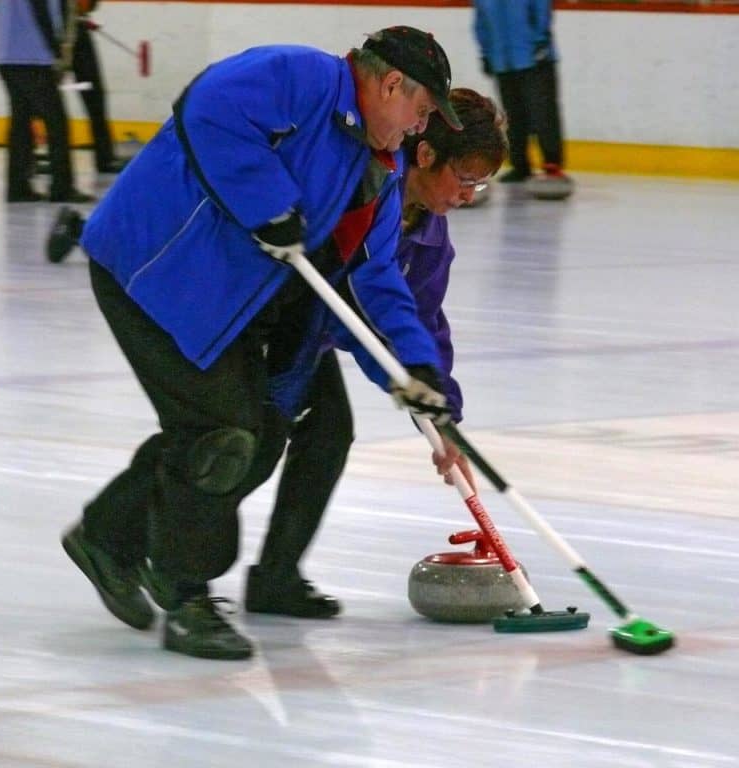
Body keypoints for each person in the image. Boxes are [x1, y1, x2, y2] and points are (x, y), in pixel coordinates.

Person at [60, 26, 463, 661]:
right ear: (390, 85)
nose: (420, 130)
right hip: (150, 269)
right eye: (421, 112)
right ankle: (186, 592)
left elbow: (378, 278)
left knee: (257, 433)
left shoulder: (378, 174)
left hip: (220, 301)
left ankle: (108, 536)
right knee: (223, 434)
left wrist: (414, 365)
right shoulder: (302, 77)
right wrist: (267, 203)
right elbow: (208, 106)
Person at [243, 88, 508, 619]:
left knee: (329, 431)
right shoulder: (360, 184)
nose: (469, 196)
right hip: (261, 320)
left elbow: (426, 330)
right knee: (249, 446)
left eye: (480, 185)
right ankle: (131, 540)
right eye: (466, 179)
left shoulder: (431, 241)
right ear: (428, 155)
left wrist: (443, 422)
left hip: (311, 341)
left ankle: (275, 577)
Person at [0, 0, 95, 202]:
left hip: (6, 57)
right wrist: (56, 51)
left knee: (20, 124)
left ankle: (18, 188)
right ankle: (61, 188)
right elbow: (41, 11)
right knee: (57, 123)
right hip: (33, 58)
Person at [473, 0, 572, 193]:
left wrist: (541, 42)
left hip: (534, 58)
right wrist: (485, 52)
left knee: (543, 112)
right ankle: (520, 165)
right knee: (513, 115)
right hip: (502, 60)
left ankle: (552, 164)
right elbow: (480, 22)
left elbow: (542, 10)